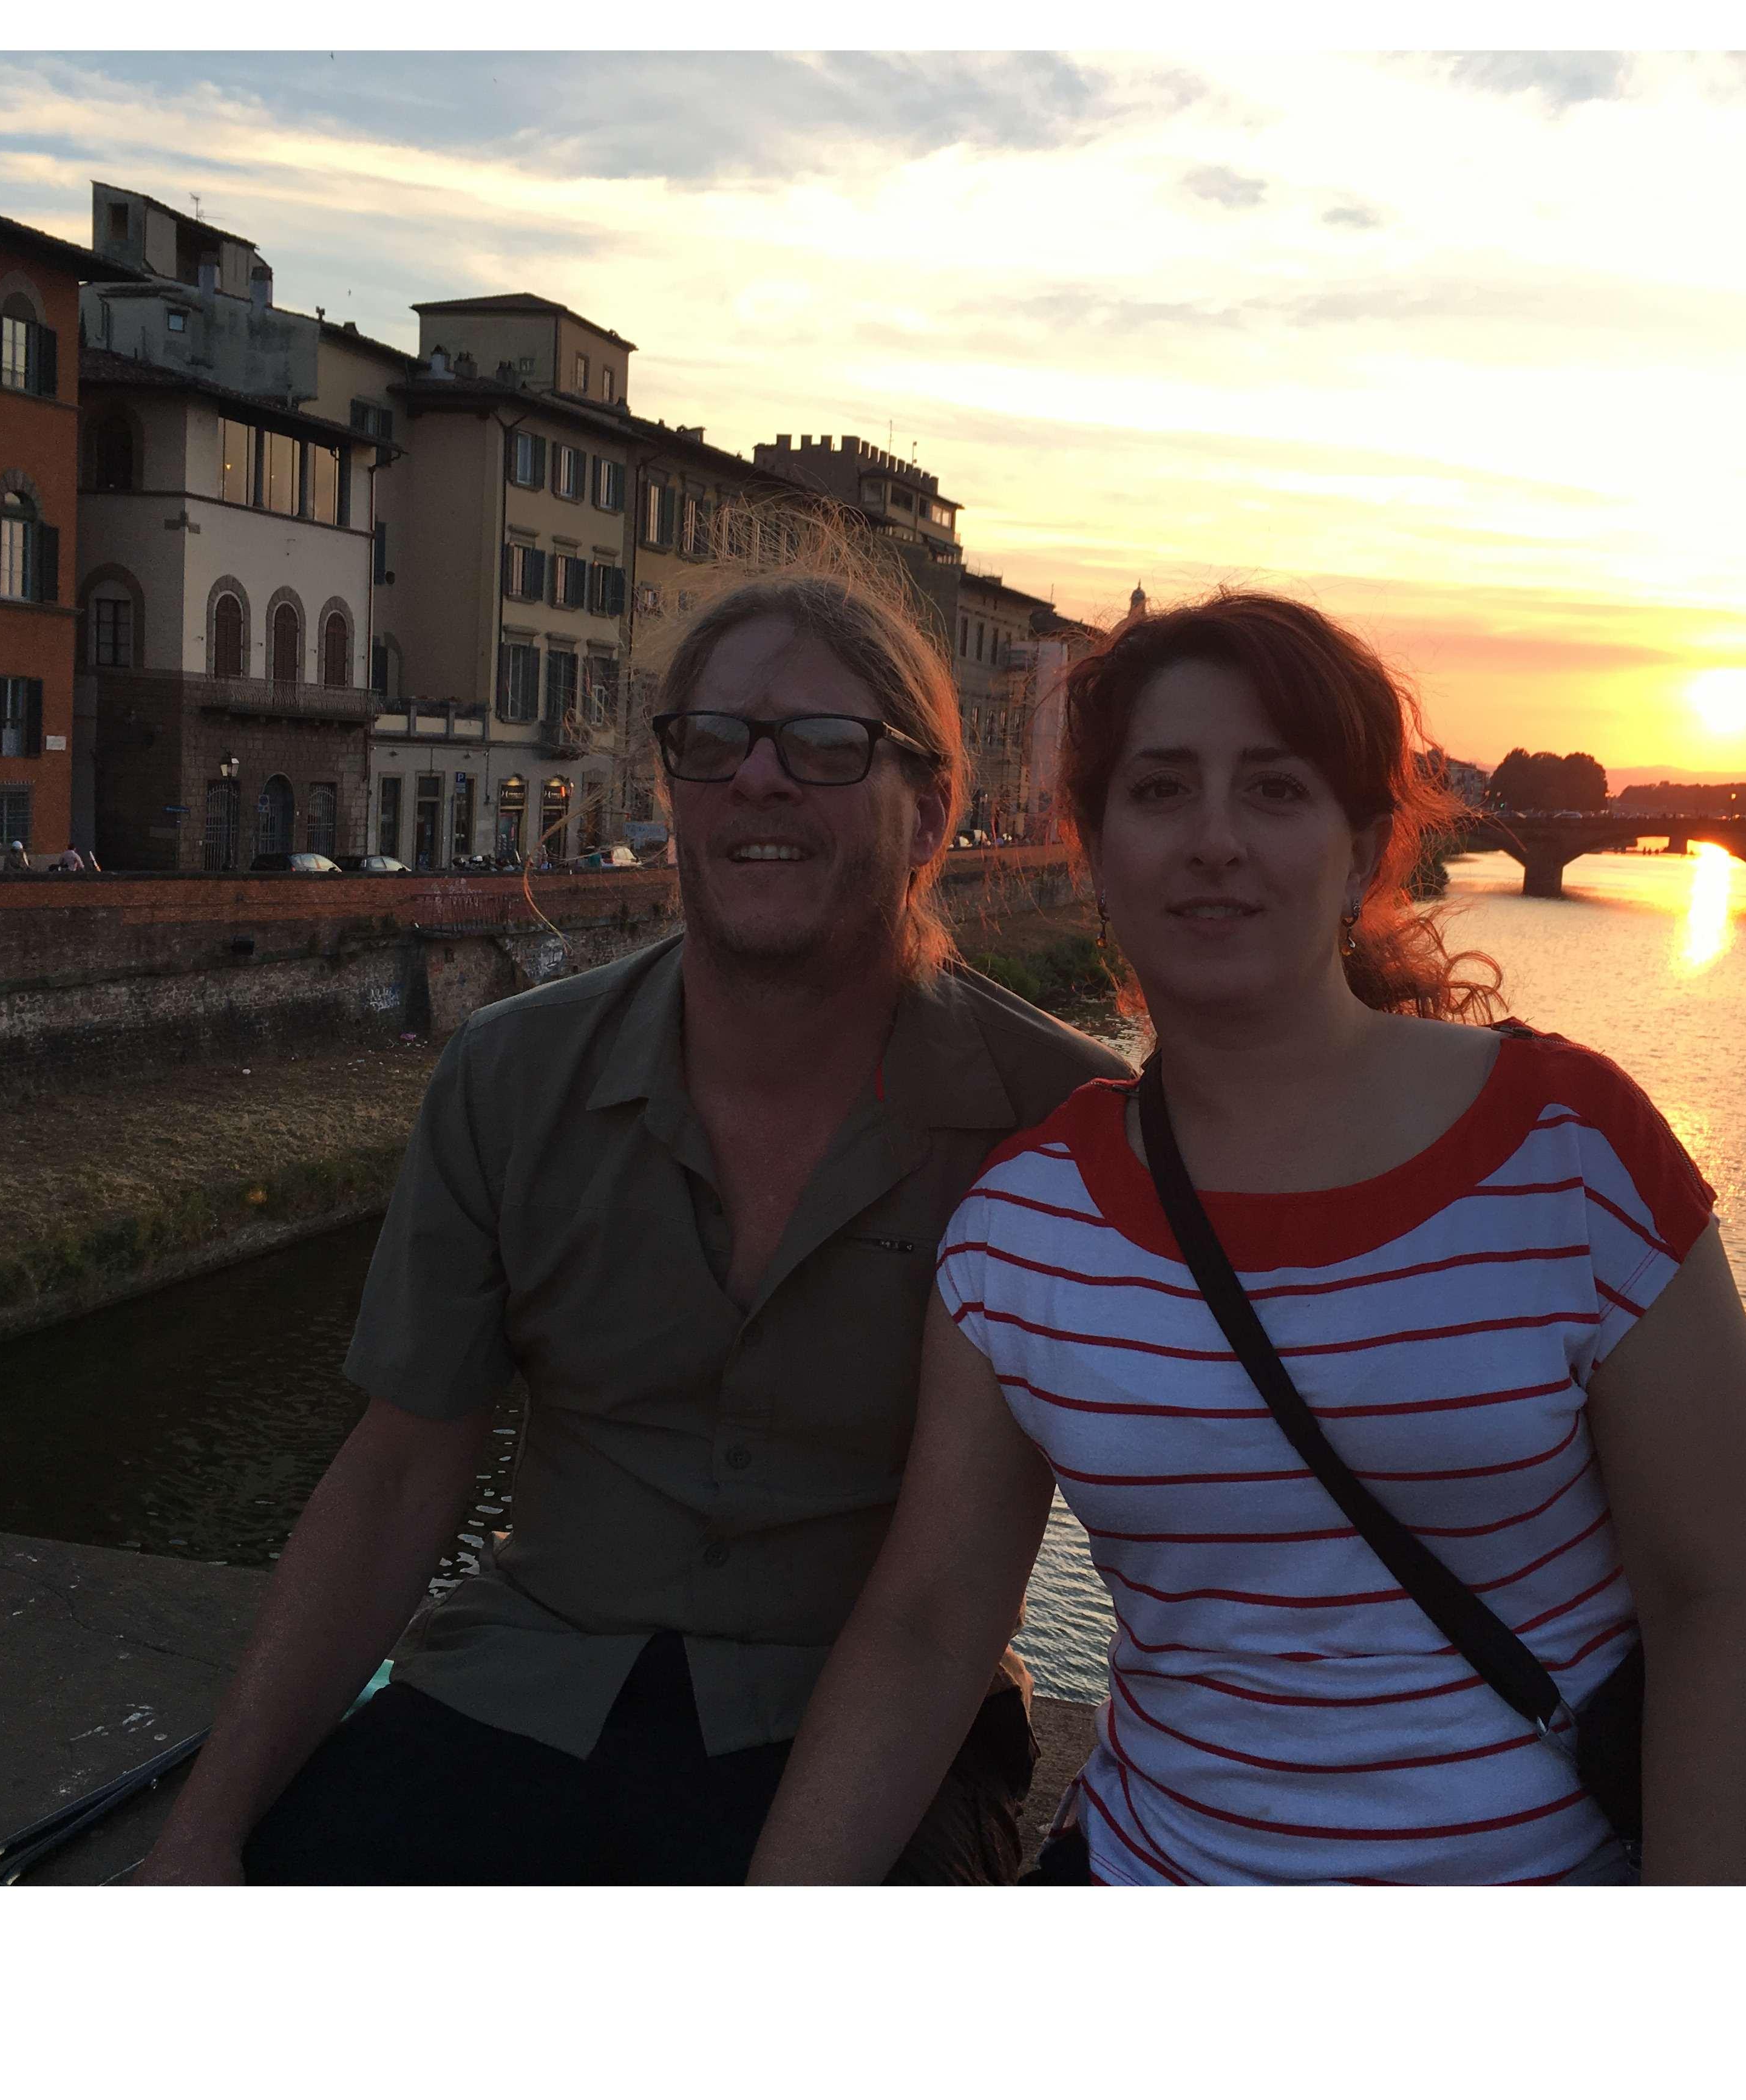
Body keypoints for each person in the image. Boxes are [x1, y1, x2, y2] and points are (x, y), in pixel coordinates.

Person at [750, 592, 1746, 1886]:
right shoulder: (1022, 1231)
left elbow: (1724, 1607)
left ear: (1365, 847)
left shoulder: (1573, 1146)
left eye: (1274, 790)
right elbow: (928, 1625)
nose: (1212, 842)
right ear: (1095, 848)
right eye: (1159, 792)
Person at [138, 565, 1126, 1884]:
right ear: (670, 790)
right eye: (711, 743)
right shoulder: (508, 1076)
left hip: (864, 1716)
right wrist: (203, 1836)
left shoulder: (1054, 1120)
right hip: (526, 1679)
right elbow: (398, 1474)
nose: (756, 781)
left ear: (932, 811)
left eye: (828, 749)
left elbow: (976, 1591)